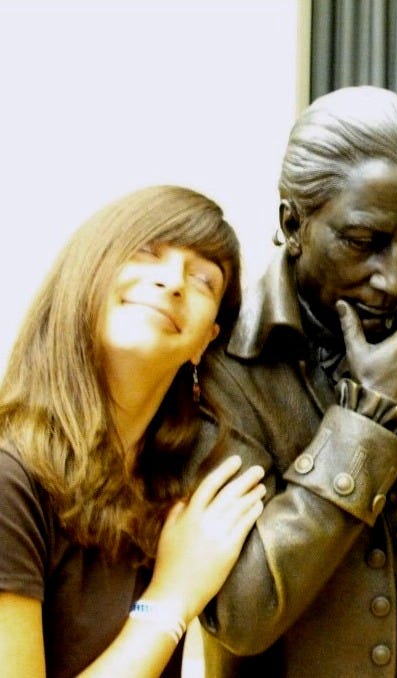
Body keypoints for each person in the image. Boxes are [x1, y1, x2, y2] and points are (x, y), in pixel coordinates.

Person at [188, 86, 397, 677]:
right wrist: (368, 422)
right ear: (293, 224)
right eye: (364, 243)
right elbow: (241, 612)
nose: (394, 281)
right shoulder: (225, 364)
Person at [0, 185, 266, 678]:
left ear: (206, 341)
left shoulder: (175, 494)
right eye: (147, 253)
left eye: (204, 281)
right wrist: (171, 598)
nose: (173, 283)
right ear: (91, 272)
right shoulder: (9, 477)